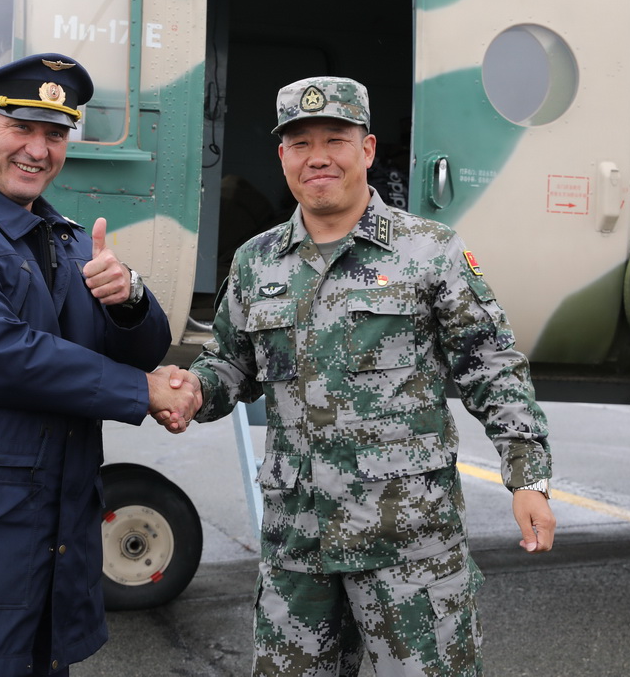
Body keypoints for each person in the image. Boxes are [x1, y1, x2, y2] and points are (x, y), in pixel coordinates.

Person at [166, 77, 555, 676]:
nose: (317, 157)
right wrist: (194, 390)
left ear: (367, 149)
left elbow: (491, 365)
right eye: (300, 143)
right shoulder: (255, 262)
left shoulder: (429, 252)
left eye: (335, 140)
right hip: (299, 548)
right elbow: (231, 362)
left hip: (410, 545)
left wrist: (528, 477)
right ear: (283, 157)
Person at [0, 53, 195, 677]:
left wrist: (128, 297)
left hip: (53, 551)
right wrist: (146, 392)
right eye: (21, 128)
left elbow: (142, 348)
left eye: (55, 133)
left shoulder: (67, 241)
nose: (38, 150)